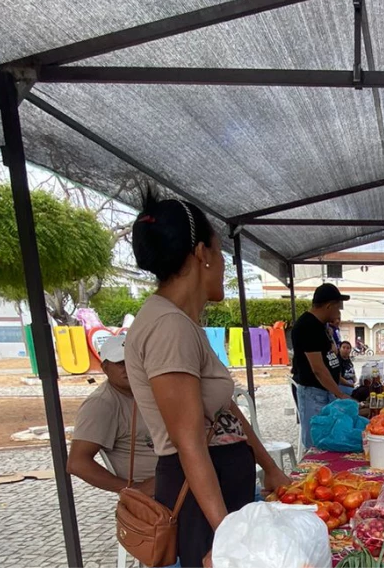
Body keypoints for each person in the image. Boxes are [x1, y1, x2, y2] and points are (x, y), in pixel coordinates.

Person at [124, 190, 291, 568]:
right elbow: (189, 444)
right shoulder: (168, 326)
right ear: (201, 254)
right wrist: (228, 535)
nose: (223, 268)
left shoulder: (184, 323)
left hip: (219, 491)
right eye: (220, 254)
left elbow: (226, 410)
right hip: (199, 503)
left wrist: (269, 466)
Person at [67, 335, 158, 495]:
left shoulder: (148, 391)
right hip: (155, 499)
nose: (129, 367)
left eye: (134, 361)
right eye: (121, 363)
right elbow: (77, 462)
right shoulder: (101, 404)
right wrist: (133, 489)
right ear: (105, 368)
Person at [292, 283, 350, 449]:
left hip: (324, 391)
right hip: (313, 393)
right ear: (328, 306)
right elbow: (318, 368)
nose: (338, 312)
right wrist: (339, 393)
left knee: (326, 439)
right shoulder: (308, 326)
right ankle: (312, 474)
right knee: (315, 444)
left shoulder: (320, 326)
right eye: (337, 307)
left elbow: (327, 357)